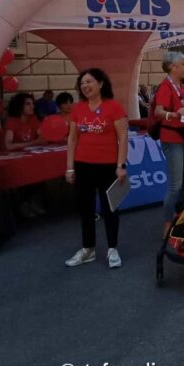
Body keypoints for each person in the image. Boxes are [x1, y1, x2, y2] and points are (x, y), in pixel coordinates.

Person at [64, 68, 128, 268]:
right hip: (83, 166)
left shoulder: (114, 107)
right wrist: (70, 168)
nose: (85, 86)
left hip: (109, 167)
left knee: (111, 208)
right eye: (82, 83)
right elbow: (72, 138)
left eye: (89, 81)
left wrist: (121, 165)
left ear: (101, 84)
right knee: (86, 209)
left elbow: (123, 137)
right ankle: (88, 249)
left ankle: (112, 249)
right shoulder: (78, 109)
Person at [154, 51, 184, 239]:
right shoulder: (165, 86)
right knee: (175, 185)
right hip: (172, 139)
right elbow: (159, 111)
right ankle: (168, 222)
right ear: (173, 67)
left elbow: (182, 109)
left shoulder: (179, 86)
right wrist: (175, 115)